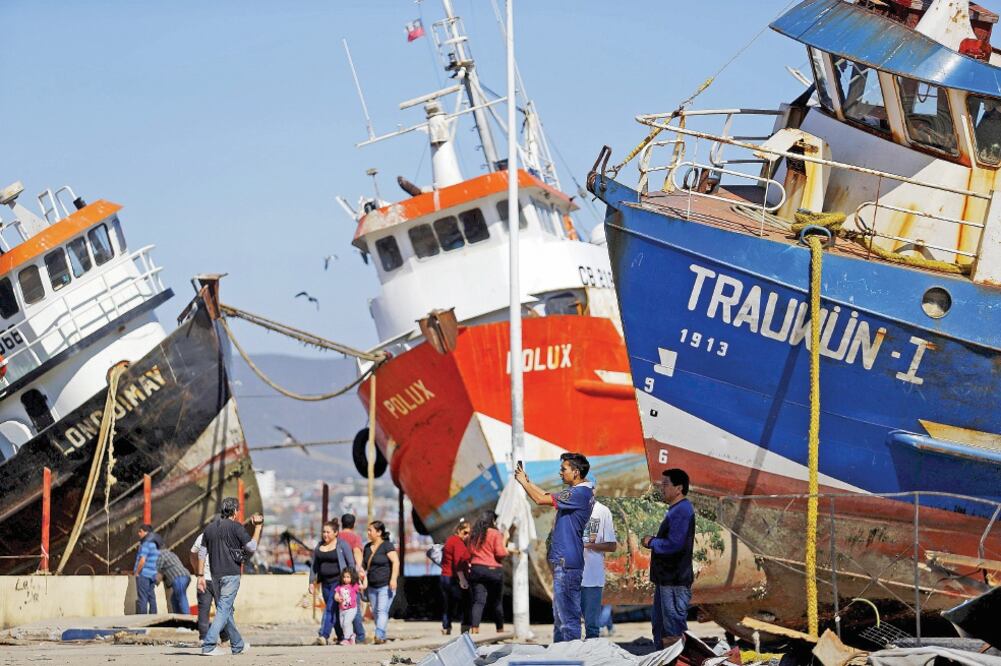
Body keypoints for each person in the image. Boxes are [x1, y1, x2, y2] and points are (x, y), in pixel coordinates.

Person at [514, 452, 594, 643]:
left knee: (567, 617)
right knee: (560, 616)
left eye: (563, 469)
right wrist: (528, 482)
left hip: (567, 562)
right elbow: (546, 496)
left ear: (575, 472)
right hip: (565, 561)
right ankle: (560, 654)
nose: (560, 473)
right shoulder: (579, 492)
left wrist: (523, 484)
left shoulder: (579, 493)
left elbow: (541, 500)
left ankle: (571, 655)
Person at [197, 497, 264, 656]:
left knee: (226, 610)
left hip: (215, 575)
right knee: (224, 609)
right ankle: (209, 645)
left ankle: (237, 645)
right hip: (231, 574)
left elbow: (201, 553)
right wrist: (258, 528)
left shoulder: (210, 528)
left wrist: (200, 575)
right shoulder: (236, 527)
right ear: (235, 511)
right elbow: (251, 547)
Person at [642, 468, 696, 649]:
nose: (662, 489)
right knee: (660, 625)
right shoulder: (676, 510)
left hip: (674, 580)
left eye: (665, 485)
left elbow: (674, 544)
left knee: (673, 628)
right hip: (666, 579)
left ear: (679, 488)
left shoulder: (682, 510)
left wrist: (652, 542)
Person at [308, 519, 357, 645]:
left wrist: (350, 582)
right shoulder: (319, 546)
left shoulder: (342, 545)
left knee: (329, 608)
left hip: (339, 583)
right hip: (325, 582)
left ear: (336, 533)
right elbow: (314, 566)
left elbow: (351, 563)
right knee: (334, 610)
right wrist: (311, 582)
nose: (325, 535)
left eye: (328, 532)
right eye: (323, 532)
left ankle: (323, 635)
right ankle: (342, 637)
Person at [581, 493, 617, 639]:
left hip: (592, 577)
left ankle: (592, 656)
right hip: (570, 576)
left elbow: (612, 546)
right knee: (567, 624)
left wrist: (587, 545)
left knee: (592, 625)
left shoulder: (602, 511)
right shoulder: (569, 508)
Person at [466, 511, 507, 634]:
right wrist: (505, 543)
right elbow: (500, 553)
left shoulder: (473, 534)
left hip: (476, 569)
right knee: (496, 602)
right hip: (493, 570)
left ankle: (474, 629)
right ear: (492, 521)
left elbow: (469, 552)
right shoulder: (495, 534)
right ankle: (500, 629)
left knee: (478, 601)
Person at [360, 520, 400, 645]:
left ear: (379, 532)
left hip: (385, 585)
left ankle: (378, 634)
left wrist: (393, 579)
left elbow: (396, 562)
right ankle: (382, 636)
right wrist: (361, 574)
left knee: (381, 611)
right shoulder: (367, 547)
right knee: (376, 612)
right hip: (372, 586)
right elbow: (364, 566)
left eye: (370, 530)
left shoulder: (387, 545)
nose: (368, 532)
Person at [190, 529, 228, 643]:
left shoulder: (202, 536)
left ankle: (203, 638)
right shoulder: (228, 536)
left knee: (203, 610)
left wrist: (197, 571)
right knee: (222, 610)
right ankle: (225, 638)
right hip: (220, 580)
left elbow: (192, 553)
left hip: (203, 578)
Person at [440, 519, 471, 635]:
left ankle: (446, 627)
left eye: (469, 533)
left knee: (448, 604)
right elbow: (458, 562)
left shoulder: (449, 540)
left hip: (444, 576)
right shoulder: (457, 542)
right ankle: (465, 628)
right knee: (465, 603)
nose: (467, 536)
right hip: (454, 578)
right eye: (465, 532)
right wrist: (462, 580)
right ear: (459, 530)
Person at [338, 513, 366, 643]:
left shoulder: (337, 536)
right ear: (353, 524)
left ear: (341, 523)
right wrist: (359, 570)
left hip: (338, 576)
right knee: (354, 607)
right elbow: (357, 553)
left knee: (340, 608)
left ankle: (343, 636)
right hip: (351, 576)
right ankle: (359, 636)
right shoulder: (355, 537)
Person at [134, 524, 160, 614]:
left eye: (140, 531)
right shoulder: (155, 545)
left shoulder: (145, 544)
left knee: (142, 597)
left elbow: (142, 560)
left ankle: (143, 618)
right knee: (151, 597)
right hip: (153, 574)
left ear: (146, 532)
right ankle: (153, 616)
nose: (139, 533)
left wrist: (137, 572)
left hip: (144, 574)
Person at [156, 548, 191, 614]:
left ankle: (187, 618)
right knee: (174, 599)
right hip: (185, 575)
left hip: (179, 577)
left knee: (181, 596)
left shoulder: (160, 555)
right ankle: (178, 617)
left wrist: (153, 582)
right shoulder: (171, 554)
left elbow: (158, 571)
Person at [333, 568, 361, 645]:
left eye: (348, 577)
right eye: (344, 577)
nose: (346, 579)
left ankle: (347, 638)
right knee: (342, 624)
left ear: (352, 577)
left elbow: (363, 587)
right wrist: (338, 598)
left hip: (351, 609)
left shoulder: (354, 586)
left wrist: (364, 578)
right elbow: (336, 595)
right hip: (342, 609)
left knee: (346, 622)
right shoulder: (339, 587)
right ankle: (351, 636)